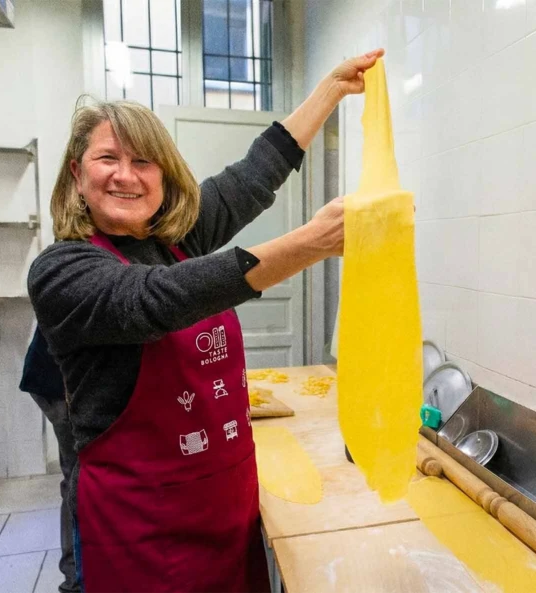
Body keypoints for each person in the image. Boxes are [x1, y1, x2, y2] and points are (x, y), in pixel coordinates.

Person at [28, 49, 384, 593]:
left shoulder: (175, 241)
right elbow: (155, 300)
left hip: (222, 511)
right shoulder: (61, 269)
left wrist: (330, 91)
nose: (126, 175)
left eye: (144, 162)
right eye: (107, 159)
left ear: (164, 178)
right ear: (77, 174)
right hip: (138, 529)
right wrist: (311, 244)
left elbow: (251, 178)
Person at [18, 327, 79, 593]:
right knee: (80, 477)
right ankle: (75, 580)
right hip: (61, 383)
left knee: (78, 476)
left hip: (65, 377)